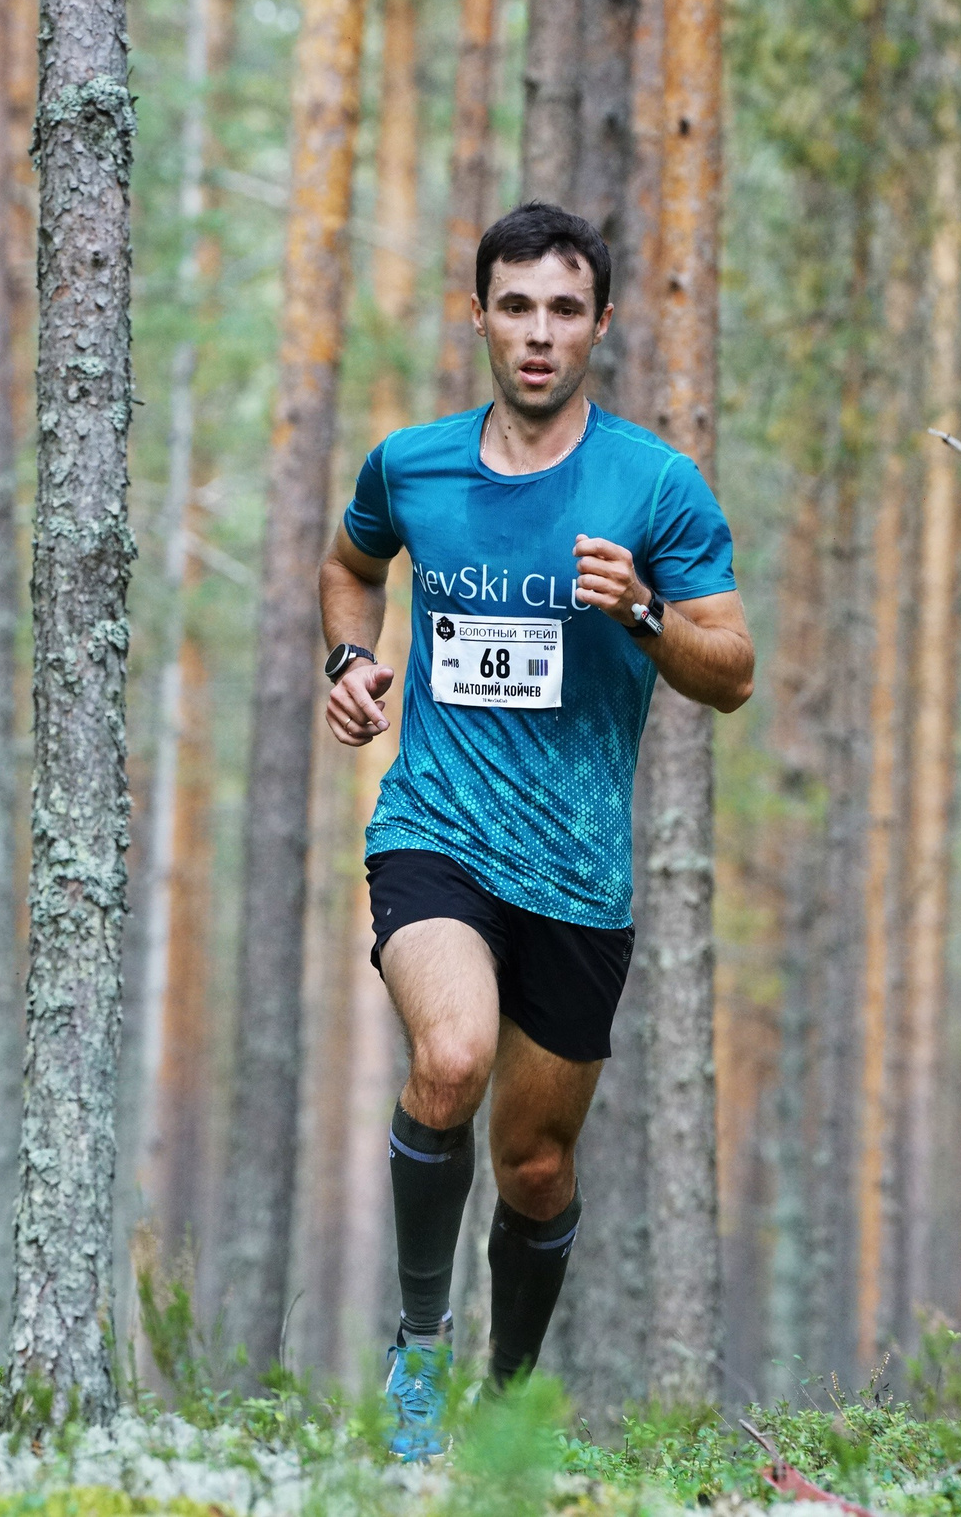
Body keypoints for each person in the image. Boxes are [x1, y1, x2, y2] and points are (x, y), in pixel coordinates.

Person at [322, 202, 754, 1460]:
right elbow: (349, 566)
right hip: (435, 832)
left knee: (536, 1167)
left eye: (564, 310)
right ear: (478, 317)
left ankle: (504, 1412)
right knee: (449, 1058)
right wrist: (350, 660)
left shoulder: (653, 486)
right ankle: (419, 1352)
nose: (538, 334)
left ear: (599, 325)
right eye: (515, 306)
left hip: (576, 870)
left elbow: (732, 672)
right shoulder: (411, 466)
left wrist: (641, 614)